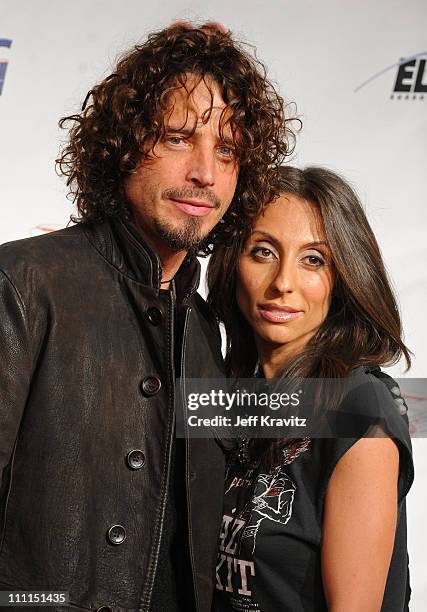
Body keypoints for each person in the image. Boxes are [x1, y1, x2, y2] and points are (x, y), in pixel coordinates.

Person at [0, 22, 293, 611]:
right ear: (125, 142)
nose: (206, 173)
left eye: (228, 151)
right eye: (180, 138)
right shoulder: (25, 283)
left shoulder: (210, 331)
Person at [208, 166, 414, 611]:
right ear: (232, 262)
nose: (283, 282)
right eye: (262, 252)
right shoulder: (223, 395)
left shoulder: (359, 408)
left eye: (313, 260)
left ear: (342, 279)